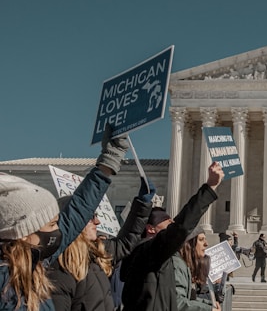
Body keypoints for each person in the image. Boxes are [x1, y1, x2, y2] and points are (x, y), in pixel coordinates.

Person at [0, 124, 128, 311]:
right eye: (52, 224)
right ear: (24, 234)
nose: (58, 230)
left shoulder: (35, 264)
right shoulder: (7, 282)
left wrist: (108, 164)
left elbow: (77, 213)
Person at [120, 162, 224, 311]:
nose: (172, 223)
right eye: (168, 222)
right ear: (151, 229)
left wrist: (207, 305)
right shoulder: (149, 252)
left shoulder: (147, 255)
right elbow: (180, 228)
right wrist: (209, 188)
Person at [48, 176, 155, 311]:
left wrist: (142, 204)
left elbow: (124, 242)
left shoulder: (96, 253)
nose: (98, 222)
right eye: (91, 217)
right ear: (72, 222)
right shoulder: (59, 269)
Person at [173, 227, 220, 311]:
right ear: (189, 244)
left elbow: (188, 298)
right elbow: (177, 302)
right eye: (201, 240)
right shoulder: (177, 265)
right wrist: (208, 309)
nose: (206, 243)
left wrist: (209, 304)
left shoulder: (184, 264)